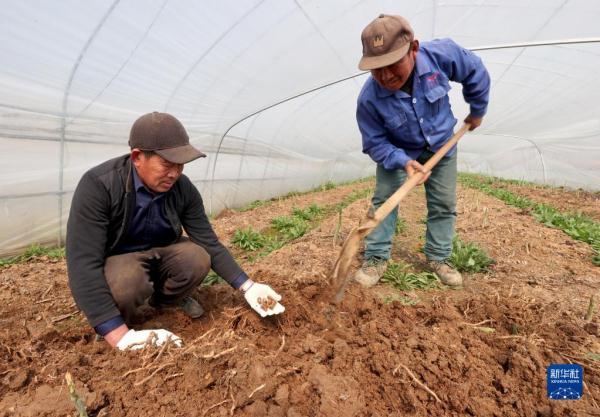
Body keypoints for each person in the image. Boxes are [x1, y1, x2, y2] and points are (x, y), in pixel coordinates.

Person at [66, 112, 284, 350]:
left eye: (180, 164)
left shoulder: (183, 189)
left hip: (162, 251)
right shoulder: (100, 186)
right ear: (138, 157)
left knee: (198, 256)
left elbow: (208, 241)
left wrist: (249, 287)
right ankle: (117, 321)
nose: (175, 173)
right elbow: (83, 263)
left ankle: (164, 302)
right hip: (120, 260)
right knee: (127, 282)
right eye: (167, 164)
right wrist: (117, 335)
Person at [354, 14, 490, 288]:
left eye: (392, 64)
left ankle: (439, 257)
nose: (386, 75)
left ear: (413, 49)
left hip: (442, 144)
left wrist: (477, 110)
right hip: (400, 151)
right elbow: (375, 143)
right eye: (376, 69)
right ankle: (376, 257)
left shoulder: (442, 55)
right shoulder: (369, 99)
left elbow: (475, 71)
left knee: (443, 203)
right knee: (385, 202)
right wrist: (403, 161)